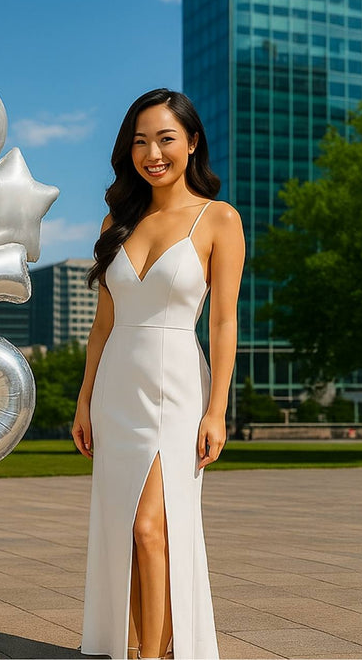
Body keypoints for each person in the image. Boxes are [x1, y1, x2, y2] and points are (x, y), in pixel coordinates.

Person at [74, 89, 245, 660]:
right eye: (140, 141)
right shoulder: (116, 221)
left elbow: (223, 324)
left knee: (154, 528)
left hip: (177, 385)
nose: (152, 152)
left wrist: (217, 410)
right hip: (116, 386)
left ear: (192, 143)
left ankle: (154, 655)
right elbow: (102, 326)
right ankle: (143, 646)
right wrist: (83, 401)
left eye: (165, 138)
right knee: (125, 529)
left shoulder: (218, 219)